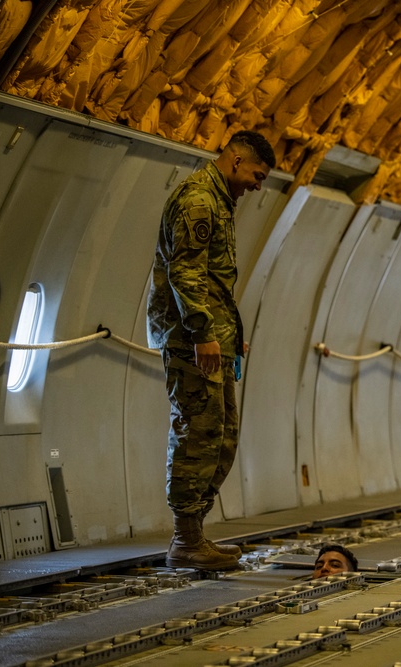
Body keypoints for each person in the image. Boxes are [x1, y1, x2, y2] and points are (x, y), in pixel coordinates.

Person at [147, 130, 275, 570]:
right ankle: (185, 539)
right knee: (198, 433)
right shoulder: (199, 201)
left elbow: (215, 280)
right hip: (190, 340)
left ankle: (195, 532)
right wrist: (202, 332)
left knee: (222, 435)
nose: (257, 185)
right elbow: (185, 273)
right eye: (257, 175)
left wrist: (228, 330)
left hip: (212, 337)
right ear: (236, 161)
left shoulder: (220, 201)